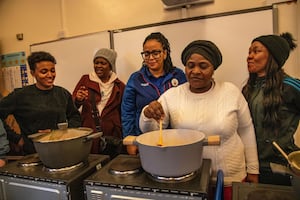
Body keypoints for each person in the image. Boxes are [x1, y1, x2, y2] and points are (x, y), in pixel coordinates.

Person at [139, 40, 259, 200]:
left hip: (230, 178)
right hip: (189, 179)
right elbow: (150, 131)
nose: (195, 71)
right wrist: (147, 114)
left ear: (213, 68)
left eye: (203, 66)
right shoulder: (172, 96)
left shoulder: (230, 92)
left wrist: (253, 169)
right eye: (190, 65)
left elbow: (246, 129)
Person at [242, 32, 300, 186]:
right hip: (253, 166)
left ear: (273, 56)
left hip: (281, 166)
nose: (249, 56)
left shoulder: (291, 86)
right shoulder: (248, 89)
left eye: (256, 51)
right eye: (249, 52)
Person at [0, 51, 81, 155]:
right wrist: (16, 138)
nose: (50, 75)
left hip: (62, 149)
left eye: (53, 70)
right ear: (33, 73)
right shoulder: (20, 95)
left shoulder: (62, 93)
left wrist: (60, 131)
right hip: (34, 152)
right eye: (44, 71)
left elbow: (75, 117)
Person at [121, 32, 187, 154]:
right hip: (144, 139)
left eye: (155, 53)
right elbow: (127, 112)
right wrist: (130, 139)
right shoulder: (136, 79)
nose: (151, 58)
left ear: (165, 53)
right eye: (146, 54)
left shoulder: (179, 75)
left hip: (174, 139)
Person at [72, 48, 125, 158]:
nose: (98, 66)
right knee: (91, 162)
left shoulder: (119, 85)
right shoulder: (86, 80)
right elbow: (72, 106)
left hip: (112, 133)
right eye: (96, 62)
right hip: (89, 130)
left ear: (110, 65)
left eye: (103, 63)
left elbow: (123, 111)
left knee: (111, 162)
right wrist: (78, 100)